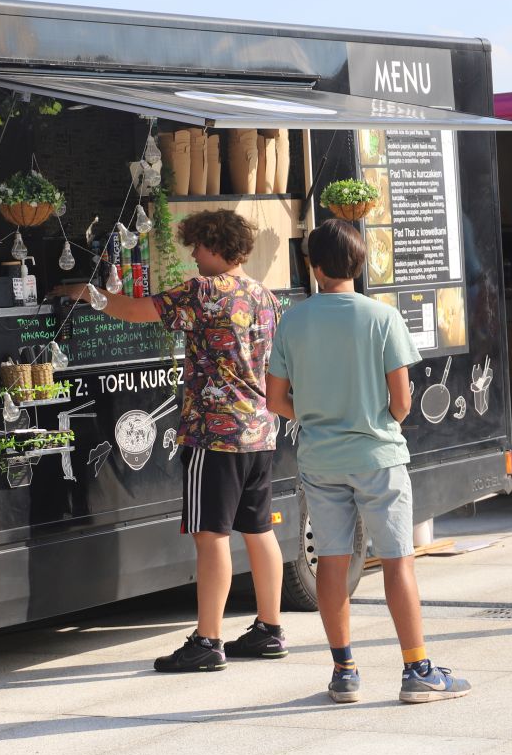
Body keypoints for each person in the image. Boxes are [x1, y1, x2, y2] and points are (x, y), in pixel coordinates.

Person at [55, 209, 285, 672]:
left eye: (198, 247)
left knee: (210, 535)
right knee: (259, 530)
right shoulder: (265, 296)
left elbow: (137, 311)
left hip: (213, 434)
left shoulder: (203, 291)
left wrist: (86, 293)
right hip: (259, 431)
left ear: (216, 246)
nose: (193, 256)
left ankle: (208, 640)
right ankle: (269, 629)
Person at [266, 219, 470, 704]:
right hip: (378, 455)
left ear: (312, 267)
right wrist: (377, 418)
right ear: (360, 264)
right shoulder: (382, 318)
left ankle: (344, 672)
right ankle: (417, 670)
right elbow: (402, 400)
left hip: (320, 458)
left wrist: (315, 417)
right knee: (398, 561)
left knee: (332, 562)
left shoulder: (293, 320)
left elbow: (275, 399)